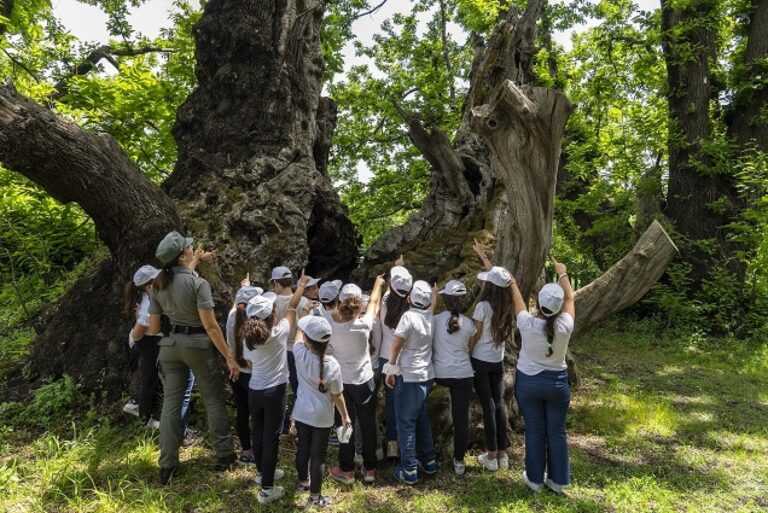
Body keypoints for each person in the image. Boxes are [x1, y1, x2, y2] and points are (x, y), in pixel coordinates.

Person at [148, 231, 239, 485]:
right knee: (213, 400)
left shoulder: (158, 283)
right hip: (198, 345)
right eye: (189, 248)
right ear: (181, 256)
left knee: (171, 405)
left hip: (169, 347)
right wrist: (229, 356)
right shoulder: (199, 285)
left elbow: (154, 329)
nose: (191, 249)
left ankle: (167, 466)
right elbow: (211, 327)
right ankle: (224, 455)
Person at [241, 273, 308, 504]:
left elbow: (249, 362)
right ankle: (267, 490)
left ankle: (262, 473)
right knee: (271, 438)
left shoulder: (248, 338)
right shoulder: (279, 333)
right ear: (271, 315)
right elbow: (292, 306)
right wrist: (301, 286)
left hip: (254, 390)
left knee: (258, 431)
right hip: (275, 390)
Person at [513, 258, 575, 493]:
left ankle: (535, 479)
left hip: (529, 384)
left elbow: (517, 300)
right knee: (556, 431)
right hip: (557, 384)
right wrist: (562, 273)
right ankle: (559, 481)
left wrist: (511, 282)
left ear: (537, 303)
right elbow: (570, 298)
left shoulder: (527, 323)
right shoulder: (565, 325)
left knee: (535, 430)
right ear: (558, 308)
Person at [327, 277, 385, 485]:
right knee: (368, 425)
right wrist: (378, 283)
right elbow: (375, 303)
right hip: (364, 381)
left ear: (339, 303)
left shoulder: (330, 326)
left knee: (344, 424)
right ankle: (369, 468)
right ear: (358, 305)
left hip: (341, 383)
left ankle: (346, 469)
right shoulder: (363, 325)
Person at [293, 316, 351, 508]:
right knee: (318, 455)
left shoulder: (299, 352)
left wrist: (307, 313)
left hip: (301, 413)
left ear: (308, 340)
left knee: (303, 448)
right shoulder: (333, 364)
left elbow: (299, 334)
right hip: (323, 417)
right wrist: (345, 415)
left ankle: (303, 482)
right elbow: (337, 395)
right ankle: (316, 496)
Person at [384, 280, 437, 485]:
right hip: (426, 375)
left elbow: (396, 345)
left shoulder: (408, 316)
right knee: (422, 419)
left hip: (409, 375)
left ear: (409, 299)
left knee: (405, 423)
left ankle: (409, 470)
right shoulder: (430, 316)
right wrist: (435, 294)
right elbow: (431, 306)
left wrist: (390, 368)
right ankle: (429, 460)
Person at [470, 240, 514, 471]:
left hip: (480, 360)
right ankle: (503, 454)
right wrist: (483, 256)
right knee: (499, 404)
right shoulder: (507, 305)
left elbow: (475, 336)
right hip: (498, 361)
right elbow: (498, 278)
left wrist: (466, 354)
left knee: (488, 407)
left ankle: (491, 455)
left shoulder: (483, 307)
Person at [432, 279, 476, 476]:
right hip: (463, 375)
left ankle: (427, 453)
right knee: (461, 420)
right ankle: (459, 461)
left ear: (446, 299)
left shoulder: (434, 320)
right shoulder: (470, 325)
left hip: (439, 374)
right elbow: (471, 349)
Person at [375, 261, 413, 458]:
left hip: (386, 358)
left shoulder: (384, 302)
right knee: (405, 401)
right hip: (405, 360)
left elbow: (392, 289)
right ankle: (404, 442)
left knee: (391, 402)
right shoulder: (412, 307)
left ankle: (392, 444)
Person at [269, 266, 312, 433]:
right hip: (299, 349)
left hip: (279, 350)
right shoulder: (304, 302)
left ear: (276, 284)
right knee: (299, 387)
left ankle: (283, 424)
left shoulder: (272, 303)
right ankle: (301, 423)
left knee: (279, 388)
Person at [225, 278, 263, 465]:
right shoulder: (257, 323)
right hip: (254, 374)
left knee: (242, 411)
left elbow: (237, 304)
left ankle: (246, 449)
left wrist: (244, 288)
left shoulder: (233, 314)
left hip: (236, 371)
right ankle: (258, 449)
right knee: (257, 414)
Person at [123, 265, 163, 427]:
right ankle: (146, 417)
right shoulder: (148, 306)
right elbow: (138, 333)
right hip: (147, 343)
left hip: (149, 342)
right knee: (149, 378)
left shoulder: (149, 298)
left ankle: (138, 404)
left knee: (151, 376)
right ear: (149, 286)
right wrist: (137, 340)